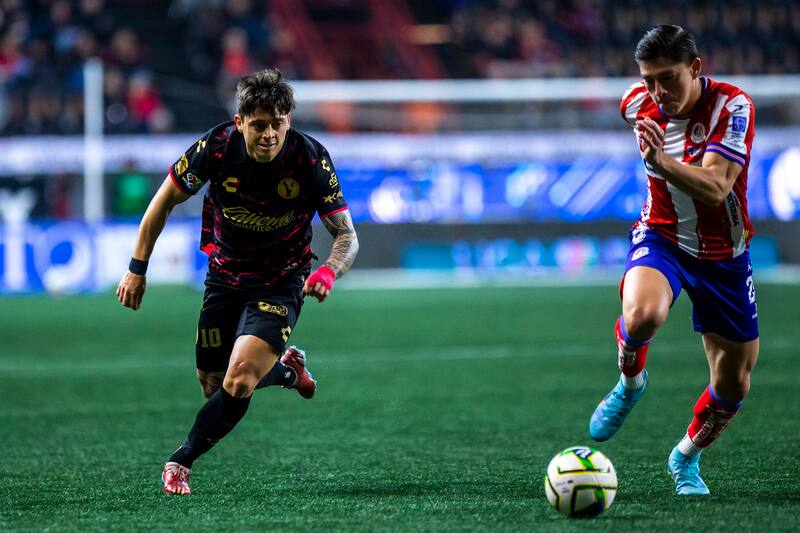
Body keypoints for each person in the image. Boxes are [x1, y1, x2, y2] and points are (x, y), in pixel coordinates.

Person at [116, 68, 359, 495]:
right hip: (224, 279)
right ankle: (285, 372)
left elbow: (347, 236)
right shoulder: (216, 147)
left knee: (239, 378)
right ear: (240, 121)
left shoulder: (309, 158)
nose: (269, 134)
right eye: (259, 125)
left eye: (278, 124)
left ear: (289, 121)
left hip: (281, 281)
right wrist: (137, 268)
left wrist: (327, 272)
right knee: (214, 384)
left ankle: (180, 461)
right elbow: (162, 202)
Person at [587, 25, 759, 495]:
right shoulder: (639, 101)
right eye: (649, 80)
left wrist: (661, 163)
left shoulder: (733, 106)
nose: (659, 91)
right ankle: (630, 382)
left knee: (733, 385)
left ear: (696, 68)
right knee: (642, 315)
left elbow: (717, 186)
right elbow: (626, 99)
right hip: (662, 236)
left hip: (725, 257)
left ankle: (685, 458)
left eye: (669, 78)